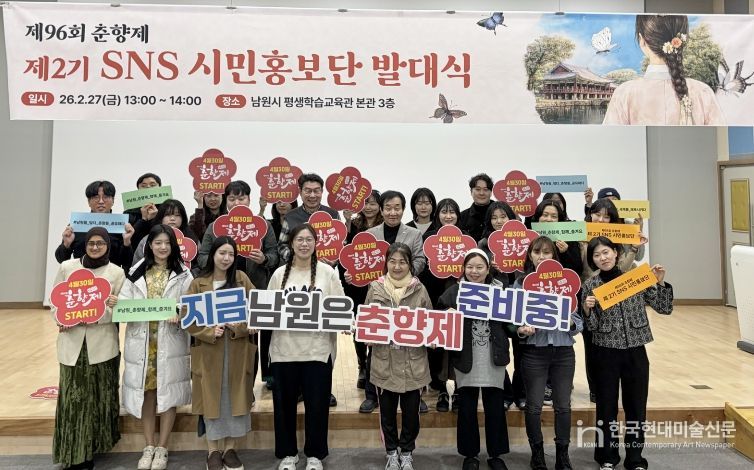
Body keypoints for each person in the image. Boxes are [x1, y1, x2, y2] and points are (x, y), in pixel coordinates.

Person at [582, 237, 673, 470]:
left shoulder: (635, 279)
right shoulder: (590, 286)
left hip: (635, 350)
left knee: (636, 406)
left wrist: (661, 283)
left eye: (606, 252)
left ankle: (635, 458)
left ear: (616, 252)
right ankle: (607, 457)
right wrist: (588, 310)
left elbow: (664, 308)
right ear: (592, 260)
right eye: (596, 255)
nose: (602, 258)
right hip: (605, 352)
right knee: (606, 407)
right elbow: (591, 327)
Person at [268, 223, 346, 470]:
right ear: (291, 243)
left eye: (309, 240)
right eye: (299, 239)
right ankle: (288, 454)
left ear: (315, 243)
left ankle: (315, 455)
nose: (304, 244)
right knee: (284, 406)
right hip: (284, 350)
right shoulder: (279, 274)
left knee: (317, 405)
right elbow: (267, 309)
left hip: (317, 350)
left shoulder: (327, 272)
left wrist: (346, 322)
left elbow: (340, 305)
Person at [119, 224, 193, 470]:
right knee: (147, 393)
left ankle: (162, 447)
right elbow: (125, 302)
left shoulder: (183, 274)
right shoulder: (136, 272)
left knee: (168, 392)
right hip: (142, 341)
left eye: (167, 243)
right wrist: (118, 304)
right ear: (149, 245)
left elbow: (190, 305)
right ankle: (148, 445)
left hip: (170, 342)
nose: (163, 247)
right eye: (158, 243)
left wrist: (179, 313)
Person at [51, 227, 125, 470]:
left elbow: (120, 309)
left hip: (102, 344)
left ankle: (91, 448)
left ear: (108, 246)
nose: (95, 247)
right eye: (91, 243)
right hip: (72, 343)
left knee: (97, 398)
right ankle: (73, 453)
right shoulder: (68, 267)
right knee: (73, 400)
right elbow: (55, 302)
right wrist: (62, 319)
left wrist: (96, 315)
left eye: (100, 243)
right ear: (84, 245)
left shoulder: (116, 272)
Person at [437, 249, 514, 470]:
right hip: (466, 358)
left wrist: (519, 329)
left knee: (495, 408)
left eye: (480, 267)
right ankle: (470, 455)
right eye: (470, 267)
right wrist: (447, 315)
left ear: (488, 269)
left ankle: (495, 454)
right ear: (463, 269)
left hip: (493, 357)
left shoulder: (500, 292)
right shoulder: (454, 292)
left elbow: (510, 323)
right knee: (467, 408)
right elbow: (439, 320)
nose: (474, 271)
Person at [185, 236, 257, 470]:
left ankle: (230, 449)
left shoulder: (241, 279)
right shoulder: (199, 283)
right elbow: (187, 318)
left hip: (237, 349)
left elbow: (257, 311)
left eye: (231, 254)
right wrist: (208, 331)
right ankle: (213, 451)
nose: (226, 258)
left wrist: (241, 327)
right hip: (209, 351)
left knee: (236, 397)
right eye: (222, 253)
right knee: (211, 399)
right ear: (213, 255)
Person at [514, 236, 583, 470]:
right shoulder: (521, 284)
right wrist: (522, 329)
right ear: (530, 255)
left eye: (546, 252)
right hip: (534, 352)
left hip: (563, 352)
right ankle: (537, 454)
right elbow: (514, 321)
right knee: (533, 406)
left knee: (563, 405)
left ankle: (563, 454)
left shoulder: (566, 281)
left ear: (554, 255)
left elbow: (578, 322)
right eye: (537, 252)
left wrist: (570, 323)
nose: (541, 257)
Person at [356, 190, 428, 413]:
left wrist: (403, 273)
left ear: (403, 209)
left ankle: (415, 393)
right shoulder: (370, 233)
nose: (392, 212)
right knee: (376, 343)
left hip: (408, 293)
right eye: (388, 208)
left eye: (397, 208)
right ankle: (372, 394)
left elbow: (420, 259)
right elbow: (362, 261)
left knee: (410, 344)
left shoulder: (414, 234)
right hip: (380, 292)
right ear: (381, 209)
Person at [364, 242, 432, 470]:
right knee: (387, 414)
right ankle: (392, 452)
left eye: (402, 262)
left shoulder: (420, 289)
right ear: (386, 263)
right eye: (392, 261)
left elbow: (430, 321)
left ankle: (407, 451)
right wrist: (366, 335)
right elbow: (366, 320)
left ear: (410, 264)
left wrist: (433, 336)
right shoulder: (375, 288)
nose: (397, 266)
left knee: (412, 415)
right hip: (384, 362)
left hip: (413, 363)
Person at [581, 198, 647, 403]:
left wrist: (635, 243)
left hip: (617, 296)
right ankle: (596, 389)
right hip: (591, 297)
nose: (601, 219)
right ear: (590, 214)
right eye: (597, 214)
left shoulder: (618, 237)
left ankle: (617, 387)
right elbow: (588, 269)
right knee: (591, 345)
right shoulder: (582, 234)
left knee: (616, 349)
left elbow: (622, 270)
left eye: (606, 216)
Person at [603, 14, 724, 125]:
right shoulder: (703, 92)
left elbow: (609, 140)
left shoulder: (624, 94)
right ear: (682, 41)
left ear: (642, 40)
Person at [476, 201, 522, 410]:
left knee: (522, 347)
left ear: (510, 217)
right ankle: (505, 391)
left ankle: (521, 392)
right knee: (497, 347)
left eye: (503, 216)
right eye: (494, 217)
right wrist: (491, 268)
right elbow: (476, 272)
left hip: (519, 297)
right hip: (496, 299)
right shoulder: (484, 244)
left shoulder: (523, 239)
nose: (498, 221)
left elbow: (531, 267)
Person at [419, 198, 464, 412]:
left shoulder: (465, 238)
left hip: (460, 298)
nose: (448, 216)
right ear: (437, 215)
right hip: (435, 295)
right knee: (437, 343)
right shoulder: (429, 237)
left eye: (452, 212)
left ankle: (459, 387)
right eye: (444, 212)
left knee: (459, 344)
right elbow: (423, 269)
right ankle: (440, 386)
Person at [341, 190, 382, 398]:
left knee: (376, 323)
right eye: (365, 203)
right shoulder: (353, 224)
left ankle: (375, 365)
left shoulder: (384, 226)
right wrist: (346, 276)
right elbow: (343, 253)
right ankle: (362, 365)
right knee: (360, 324)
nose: (369, 207)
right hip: (356, 284)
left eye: (373, 203)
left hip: (379, 284)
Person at [55, 180, 135, 271]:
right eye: (96, 197)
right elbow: (61, 259)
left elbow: (127, 262)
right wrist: (66, 244)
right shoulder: (77, 224)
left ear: (113, 200)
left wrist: (127, 242)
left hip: (111, 276)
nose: (101, 201)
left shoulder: (122, 226)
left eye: (106, 197)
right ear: (89, 202)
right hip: (81, 275)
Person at [278, 173, 340, 264]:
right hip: (298, 269)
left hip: (326, 269)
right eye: (308, 191)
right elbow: (282, 245)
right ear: (300, 192)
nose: (312, 195)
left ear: (322, 191)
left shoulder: (333, 214)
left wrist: (335, 261)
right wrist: (294, 259)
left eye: (316, 191)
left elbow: (342, 243)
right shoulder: (290, 216)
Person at [132, 199, 199, 266]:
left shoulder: (190, 238)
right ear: (161, 217)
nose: (172, 218)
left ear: (183, 218)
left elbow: (198, 264)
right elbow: (136, 265)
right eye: (168, 215)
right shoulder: (148, 238)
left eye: (177, 215)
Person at [126, 173, 163, 245]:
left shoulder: (166, 209)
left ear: (160, 188)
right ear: (138, 190)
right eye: (143, 186)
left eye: (152, 185)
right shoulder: (129, 213)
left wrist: (154, 219)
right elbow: (129, 238)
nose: (148, 187)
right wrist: (143, 220)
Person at [458, 173, 494, 242]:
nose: (481, 193)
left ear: (491, 192)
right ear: (471, 192)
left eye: (485, 189)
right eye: (478, 189)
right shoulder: (462, 217)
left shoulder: (503, 213)